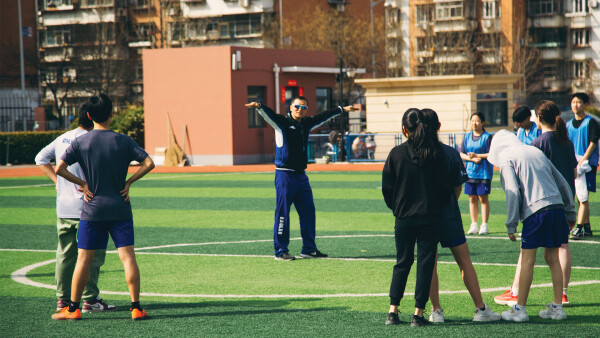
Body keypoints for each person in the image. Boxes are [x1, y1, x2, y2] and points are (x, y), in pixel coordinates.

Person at [51, 94, 155, 321]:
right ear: (112, 114)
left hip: (92, 209)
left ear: (89, 116)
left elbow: (59, 169)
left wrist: (83, 184)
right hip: (120, 207)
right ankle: (136, 308)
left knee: (83, 260)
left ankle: (73, 309)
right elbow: (149, 163)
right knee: (128, 258)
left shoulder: (80, 142)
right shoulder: (124, 140)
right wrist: (129, 182)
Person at [245, 97, 357, 261]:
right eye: (297, 106)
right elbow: (269, 115)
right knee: (283, 213)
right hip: (284, 175)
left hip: (301, 176)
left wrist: (341, 109)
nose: (300, 109)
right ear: (291, 107)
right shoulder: (282, 122)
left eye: (303, 107)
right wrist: (259, 107)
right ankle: (281, 251)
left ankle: (309, 249)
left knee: (308, 211)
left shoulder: (306, 123)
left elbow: (322, 116)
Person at [420, 109, 501, 323]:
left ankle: (436, 311)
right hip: (448, 214)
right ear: (439, 126)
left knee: (430, 263)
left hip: (423, 216)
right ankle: (480, 309)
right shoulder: (449, 152)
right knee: (464, 261)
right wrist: (448, 204)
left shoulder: (414, 153)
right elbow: (458, 187)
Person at [495, 100, 577, 307]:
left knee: (528, 260)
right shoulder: (538, 150)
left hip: (536, 212)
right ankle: (558, 306)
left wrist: (511, 224)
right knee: (553, 259)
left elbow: (513, 191)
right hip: (557, 209)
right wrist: (570, 213)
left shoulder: (510, 157)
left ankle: (520, 308)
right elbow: (562, 183)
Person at [35, 106, 117, 314]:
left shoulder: (62, 138)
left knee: (65, 254)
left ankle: (62, 301)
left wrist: (56, 181)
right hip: (88, 208)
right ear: (94, 117)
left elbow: (40, 159)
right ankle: (90, 299)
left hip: (63, 207)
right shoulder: (92, 140)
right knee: (92, 255)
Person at [382, 108, 452, 327]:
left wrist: (397, 208)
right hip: (430, 217)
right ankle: (418, 314)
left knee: (402, 262)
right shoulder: (436, 153)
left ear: (405, 129)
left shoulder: (396, 153)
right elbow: (445, 188)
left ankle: (392, 312)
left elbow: (387, 188)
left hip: (404, 217)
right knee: (425, 264)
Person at [567, 92, 599, 239]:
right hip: (574, 164)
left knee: (583, 197)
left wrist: (583, 159)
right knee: (580, 197)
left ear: (585, 105)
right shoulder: (568, 125)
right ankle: (587, 227)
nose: (575, 105)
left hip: (587, 164)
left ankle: (579, 227)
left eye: (579, 102)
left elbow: (593, 142)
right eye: (573, 102)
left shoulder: (591, 122)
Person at [459, 112, 493, 235]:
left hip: (483, 173)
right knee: (472, 198)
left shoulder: (487, 137)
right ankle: (474, 224)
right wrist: (472, 159)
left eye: (477, 121)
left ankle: (484, 224)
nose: (474, 123)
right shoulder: (467, 137)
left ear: (482, 122)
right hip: (470, 173)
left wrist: (478, 156)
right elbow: (461, 153)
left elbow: (491, 153)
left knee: (483, 198)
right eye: (472, 120)